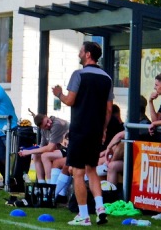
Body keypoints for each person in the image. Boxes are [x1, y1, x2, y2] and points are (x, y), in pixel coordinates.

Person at [52, 41, 113, 226]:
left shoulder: (78, 74)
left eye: (81, 50)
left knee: (78, 173)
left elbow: (70, 101)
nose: (79, 52)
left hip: (79, 129)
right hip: (95, 130)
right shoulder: (107, 78)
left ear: (87, 54)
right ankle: (100, 208)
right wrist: (103, 129)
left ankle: (84, 215)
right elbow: (109, 109)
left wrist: (59, 94)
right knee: (92, 170)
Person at [18, 114, 69, 184]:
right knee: (36, 155)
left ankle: (50, 185)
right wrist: (28, 150)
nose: (49, 124)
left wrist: (28, 152)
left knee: (45, 156)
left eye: (48, 121)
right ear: (41, 127)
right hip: (60, 150)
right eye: (45, 125)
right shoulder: (43, 130)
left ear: (46, 116)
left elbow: (50, 148)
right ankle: (41, 185)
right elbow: (42, 147)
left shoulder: (56, 124)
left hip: (70, 149)